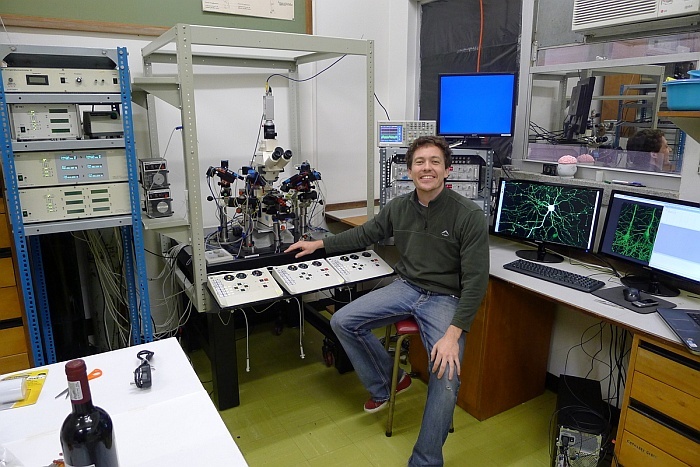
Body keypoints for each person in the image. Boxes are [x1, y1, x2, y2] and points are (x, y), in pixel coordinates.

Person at [285, 135, 490, 466]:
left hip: (445, 298)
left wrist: (453, 336)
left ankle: (425, 460)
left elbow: (476, 281)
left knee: (447, 375)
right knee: (342, 321)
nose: (427, 168)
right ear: (409, 171)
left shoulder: (468, 215)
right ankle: (390, 382)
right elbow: (365, 234)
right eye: (420, 162)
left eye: (435, 162)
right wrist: (318, 246)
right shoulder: (398, 207)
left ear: (447, 170)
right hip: (407, 286)